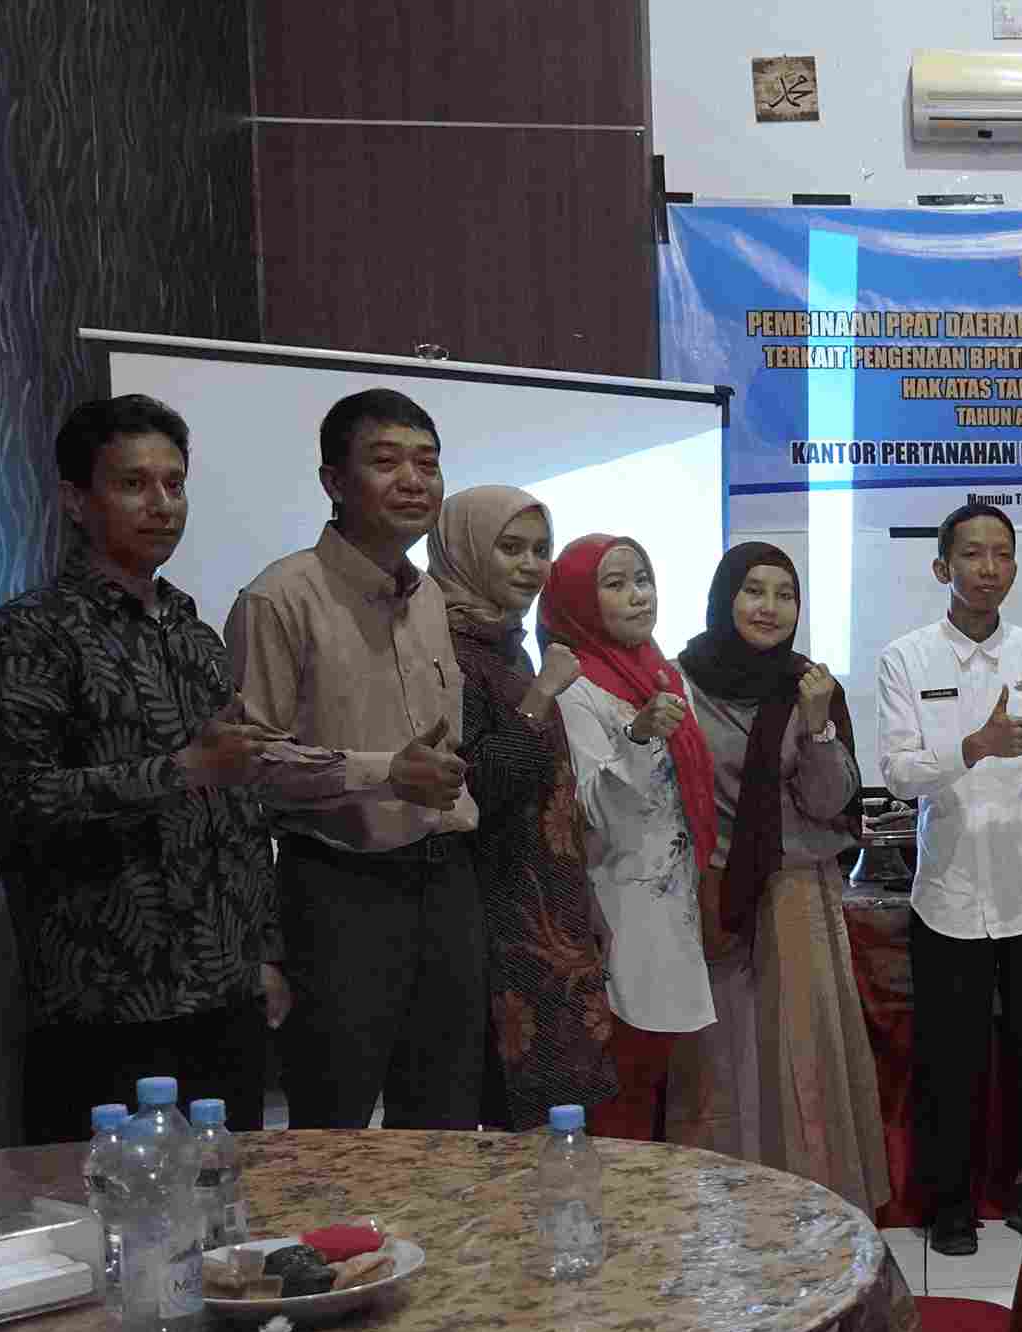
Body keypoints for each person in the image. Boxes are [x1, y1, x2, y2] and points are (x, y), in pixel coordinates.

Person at [0, 395, 322, 1139]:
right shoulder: (27, 636)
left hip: (225, 994)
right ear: (75, 500)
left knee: (227, 1197)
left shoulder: (192, 631)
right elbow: (24, 799)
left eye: (174, 483)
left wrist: (264, 955)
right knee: (105, 1205)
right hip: (107, 1000)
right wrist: (183, 768)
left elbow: (238, 807)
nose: (161, 504)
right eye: (133, 484)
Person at [226, 388, 479, 1129]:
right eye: (386, 461)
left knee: (445, 1118)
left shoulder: (430, 599)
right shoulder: (279, 598)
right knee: (334, 1122)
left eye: (428, 463)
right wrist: (384, 773)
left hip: (447, 881)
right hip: (340, 890)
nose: (413, 481)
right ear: (334, 481)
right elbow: (248, 764)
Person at [874, 502, 1022, 1258]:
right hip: (949, 893)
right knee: (950, 1057)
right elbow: (899, 774)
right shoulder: (905, 658)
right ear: (943, 567)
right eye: (972, 554)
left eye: (1001, 554)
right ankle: (950, 1201)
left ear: (1014, 567)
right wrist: (973, 746)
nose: (988, 568)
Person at [675, 541, 890, 1212]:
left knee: (800, 1056)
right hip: (711, 891)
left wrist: (819, 725)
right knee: (723, 1058)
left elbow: (830, 803)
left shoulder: (810, 687)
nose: (770, 607)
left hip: (795, 892)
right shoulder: (679, 684)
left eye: (785, 594)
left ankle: (808, 1209)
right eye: (754, 590)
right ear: (724, 597)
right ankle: (723, 1207)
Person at [429, 485, 617, 1131]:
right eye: (510, 548)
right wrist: (540, 696)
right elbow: (478, 784)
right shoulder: (447, 650)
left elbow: (549, 793)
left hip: (546, 905)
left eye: (541, 550)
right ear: (465, 550)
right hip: (494, 912)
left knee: (558, 1116)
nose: (531, 565)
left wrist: (582, 900)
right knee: (509, 1116)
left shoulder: (507, 644)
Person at [541, 534, 718, 1141]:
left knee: (660, 1076)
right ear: (578, 602)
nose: (639, 596)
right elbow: (590, 808)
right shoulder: (575, 686)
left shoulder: (662, 673)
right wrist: (638, 737)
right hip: (616, 907)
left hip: (673, 903)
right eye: (614, 584)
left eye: (642, 579)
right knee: (622, 1080)